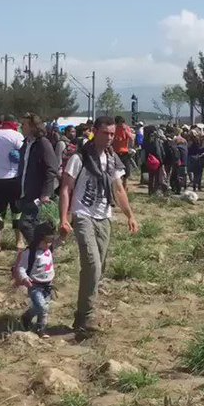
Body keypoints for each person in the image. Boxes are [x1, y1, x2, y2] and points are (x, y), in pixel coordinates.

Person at [59, 116, 139, 338]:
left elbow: (119, 190)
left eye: (112, 134)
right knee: (92, 265)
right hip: (83, 214)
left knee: (98, 267)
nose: (110, 137)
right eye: (105, 133)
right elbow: (66, 188)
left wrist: (130, 215)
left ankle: (81, 315)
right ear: (95, 132)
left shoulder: (112, 159)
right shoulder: (80, 157)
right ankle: (87, 316)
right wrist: (64, 218)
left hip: (104, 216)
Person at [17, 114, 60, 253]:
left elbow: (51, 168)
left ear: (32, 126)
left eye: (24, 125)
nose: (21, 127)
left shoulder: (43, 143)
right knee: (35, 226)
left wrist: (46, 193)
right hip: (26, 191)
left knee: (25, 224)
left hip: (39, 193)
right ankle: (40, 254)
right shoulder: (26, 143)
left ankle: (41, 251)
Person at [13, 221, 57, 337]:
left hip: (48, 285)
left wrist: (63, 233)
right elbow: (21, 267)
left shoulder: (49, 249)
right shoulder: (29, 253)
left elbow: (60, 241)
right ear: (38, 239)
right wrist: (24, 278)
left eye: (50, 241)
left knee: (44, 308)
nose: (48, 244)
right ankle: (27, 317)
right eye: (46, 241)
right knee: (42, 306)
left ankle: (41, 329)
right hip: (34, 285)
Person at [0, 115, 25, 252]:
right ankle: (19, 241)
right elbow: (23, 152)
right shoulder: (17, 135)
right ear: (14, 123)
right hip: (14, 177)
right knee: (17, 211)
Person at [112, 116, 136, 186]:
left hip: (125, 152)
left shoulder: (126, 128)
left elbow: (131, 138)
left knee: (126, 173)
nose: (121, 124)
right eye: (120, 123)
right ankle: (118, 187)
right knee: (117, 173)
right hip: (116, 153)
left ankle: (125, 187)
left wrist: (125, 130)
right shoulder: (114, 129)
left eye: (122, 123)